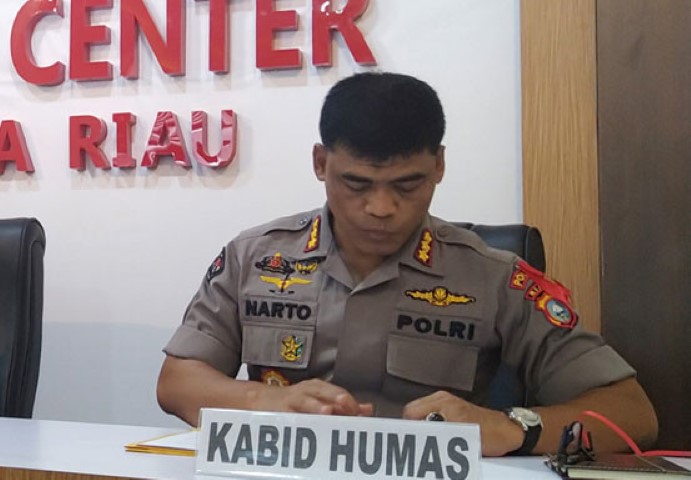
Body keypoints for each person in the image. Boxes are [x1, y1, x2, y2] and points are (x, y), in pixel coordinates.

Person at [157, 72, 658, 457]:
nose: (381, 208)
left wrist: (511, 427)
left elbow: (631, 413)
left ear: (439, 165)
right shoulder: (255, 257)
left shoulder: (492, 276)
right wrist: (262, 402)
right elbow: (177, 381)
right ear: (320, 163)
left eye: (407, 185)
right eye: (357, 184)